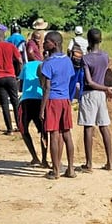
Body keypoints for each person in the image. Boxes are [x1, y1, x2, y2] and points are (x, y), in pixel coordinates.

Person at [39, 31, 75, 180]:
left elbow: (47, 88)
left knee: (54, 134)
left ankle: (55, 170)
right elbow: (70, 79)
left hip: (53, 101)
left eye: (46, 41)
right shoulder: (68, 60)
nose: (43, 43)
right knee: (66, 134)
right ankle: (71, 169)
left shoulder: (48, 63)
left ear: (54, 44)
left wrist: (42, 108)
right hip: (65, 100)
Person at [79, 28, 112, 172]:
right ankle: (110, 162)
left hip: (90, 94)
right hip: (101, 95)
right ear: (100, 40)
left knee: (88, 127)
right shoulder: (105, 56)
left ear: (88, 40)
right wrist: (105, 89)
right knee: (104, 126)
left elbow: (89, 82)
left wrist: (105, 88)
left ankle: (89, 164)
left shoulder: (86, 59)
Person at [17, 57, 47, 167]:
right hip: (41, 100)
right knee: (44, 131)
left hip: (26, 100)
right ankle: (44, 160)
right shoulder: (45, 64)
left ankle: (35, 157)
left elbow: (20, 86)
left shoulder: (26, 65)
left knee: (23, 129)